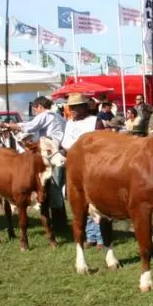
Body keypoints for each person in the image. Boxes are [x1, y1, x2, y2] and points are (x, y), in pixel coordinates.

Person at [6, 96, 67, 226]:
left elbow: (28, 126)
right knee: (56, 186)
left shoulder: (45, 115)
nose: (35, 112)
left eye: (35, 109)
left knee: (53, 187)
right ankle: (60, 220)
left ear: (39, 106)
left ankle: (58, 223)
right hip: (59, 152)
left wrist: (8, 125)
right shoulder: (58, 117)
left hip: (50, 154)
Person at [61, 93, 104, 247]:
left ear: (84, 107)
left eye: (75, 107)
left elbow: (102, 144)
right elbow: (65, 144)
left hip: (92, 167)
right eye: (70, 107)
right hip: (73, 168)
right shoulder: (69, 123)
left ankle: (100, 237)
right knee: (80, 202)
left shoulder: (95, 122)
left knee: (96, 201)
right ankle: (90, 235)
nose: (71, 110)